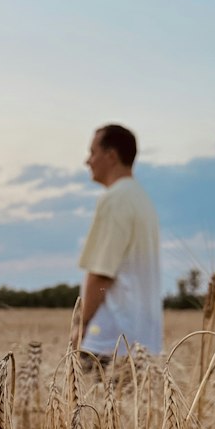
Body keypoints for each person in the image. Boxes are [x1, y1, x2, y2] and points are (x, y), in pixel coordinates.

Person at [72, 124, 162, 363]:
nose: (87, 161)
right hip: (144, 341)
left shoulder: (115, 199)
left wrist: (81, 327)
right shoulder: (142, 200)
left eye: (92, 152)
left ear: (111, 156)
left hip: (109, 338)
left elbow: (102, 274)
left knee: (92, 400)